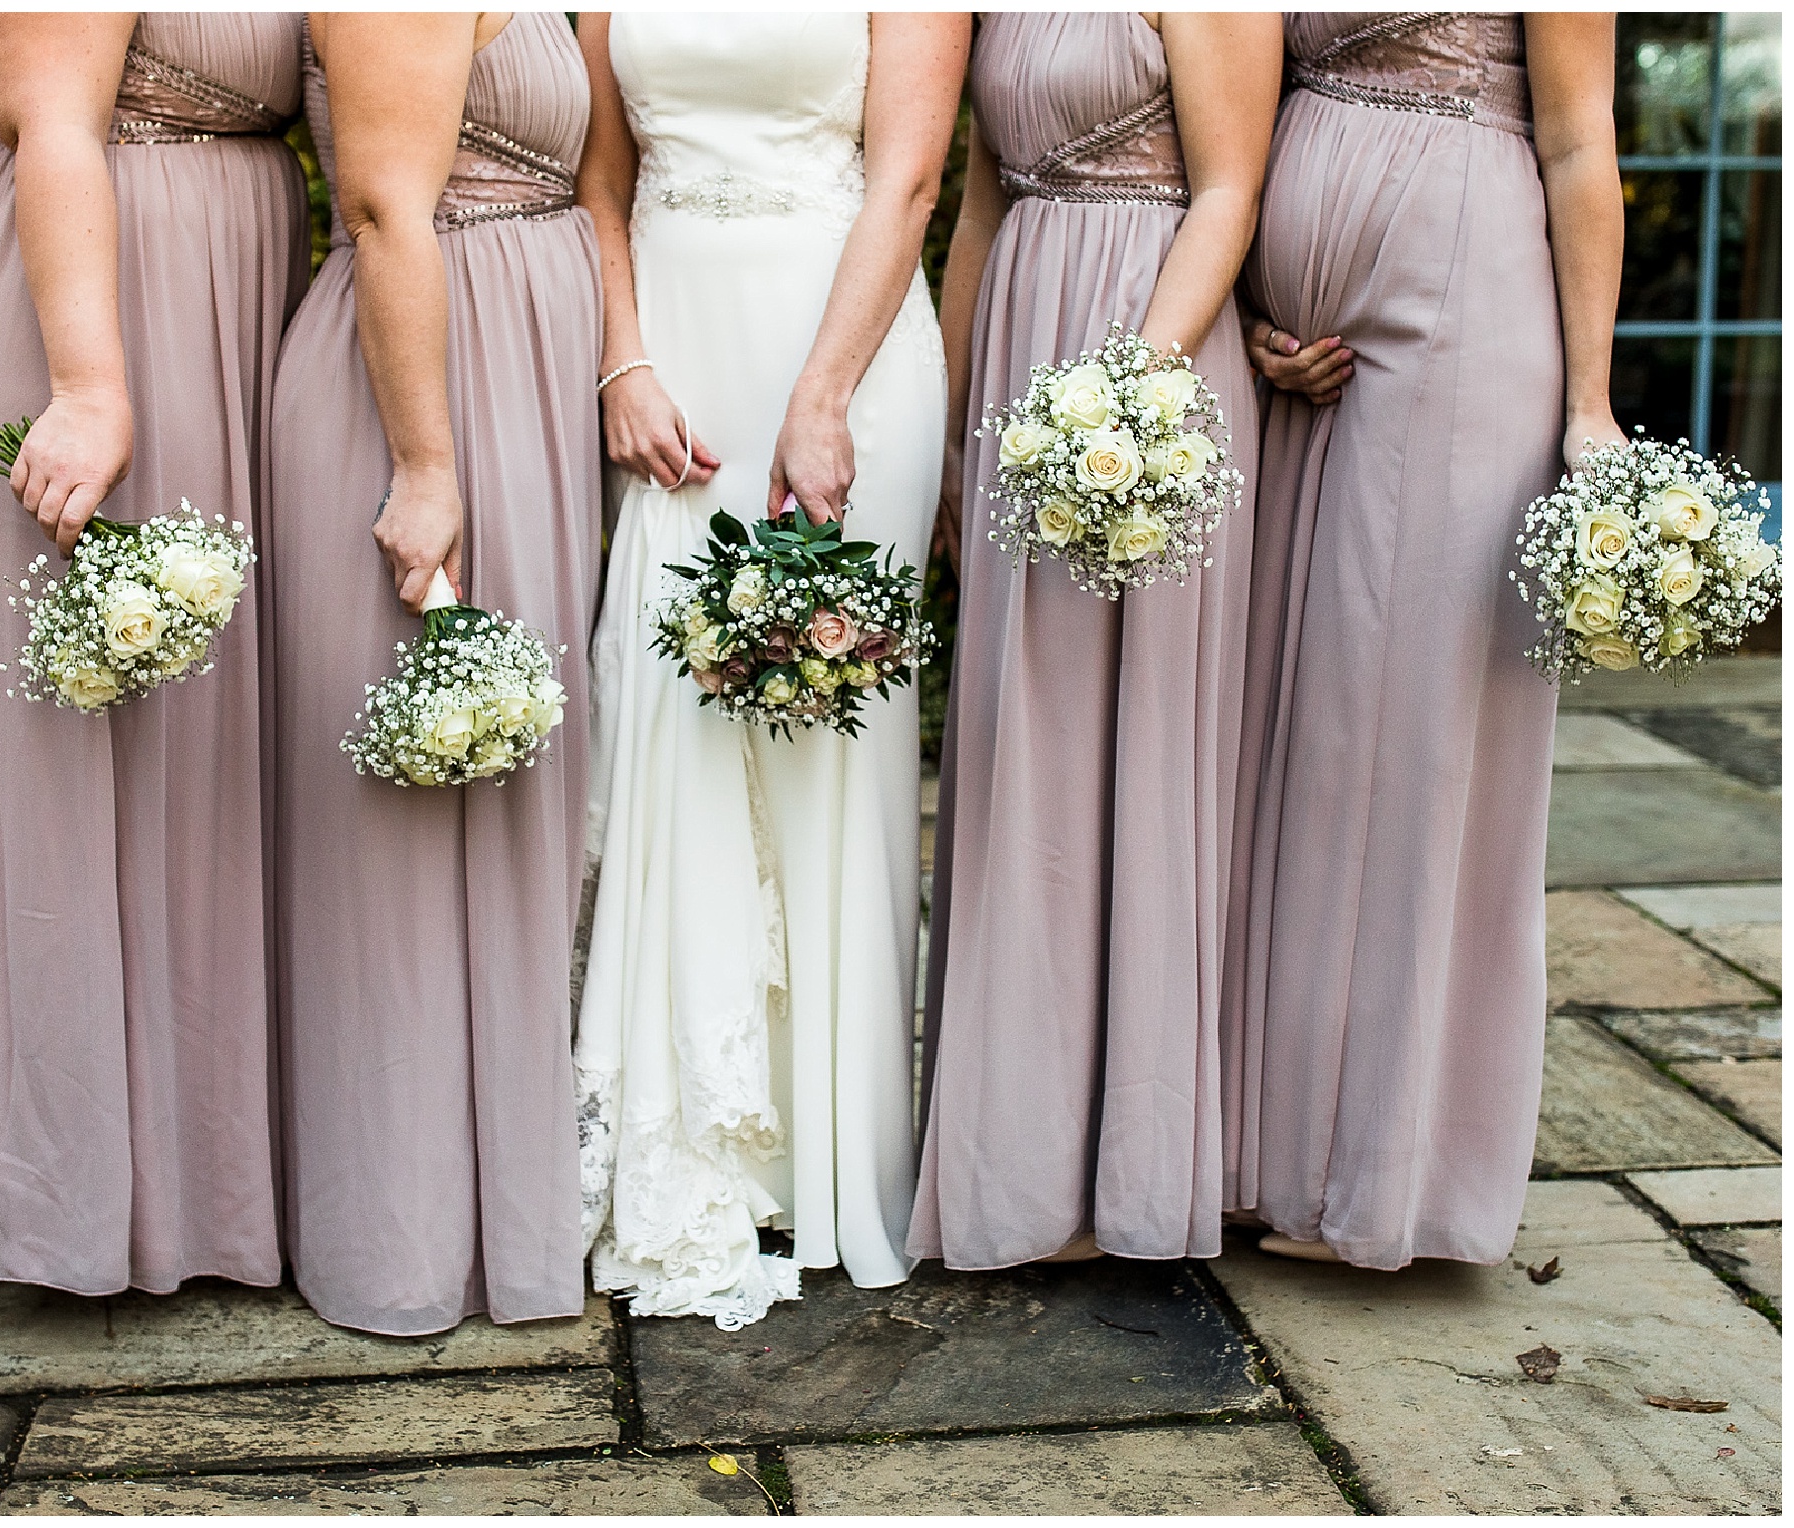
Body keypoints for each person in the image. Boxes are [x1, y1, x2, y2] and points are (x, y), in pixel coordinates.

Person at [572, 11, 967, 1328]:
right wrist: (623, 359)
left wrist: (822, 397)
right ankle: (704, 1134)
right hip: (678, 364)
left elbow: (910, 177)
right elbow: (602, 182)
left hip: (843, 355)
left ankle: (833, 1158)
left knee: (833, 751)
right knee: (675, 728)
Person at [1224, 13, 1625, 1267]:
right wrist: (1251, 313)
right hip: (1302, 353)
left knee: (1411, 739)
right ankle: (1263, 1148)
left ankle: (1385, 1173)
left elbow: (1575, 139)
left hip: (1467, 300)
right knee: (1291, 734)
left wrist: (1592, 404)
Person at [0, 13, 311, 1295]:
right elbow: (52, 120)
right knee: (83, 771)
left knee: (203, 772)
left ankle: (216, 1189)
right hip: (98, 305)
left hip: (229, 296)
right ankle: (89, 1207)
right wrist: (91, 384)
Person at [912, 12, 1279, 1269]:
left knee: (1139, 745)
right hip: (1024, 349)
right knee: (1032, 742)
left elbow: (1230, 188)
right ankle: (1017, 1156)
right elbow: (975, 212)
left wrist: (1132, 383)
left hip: (1149, 367)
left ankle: (1130, 1165)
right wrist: (951, 434)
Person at [265, 11, 601, 1337]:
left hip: (515, 363)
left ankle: (498, 1212)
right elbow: (389, 203)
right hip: (428, 381)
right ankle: (399, 1233)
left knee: (506, 795)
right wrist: (425, 464)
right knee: (403, 828)